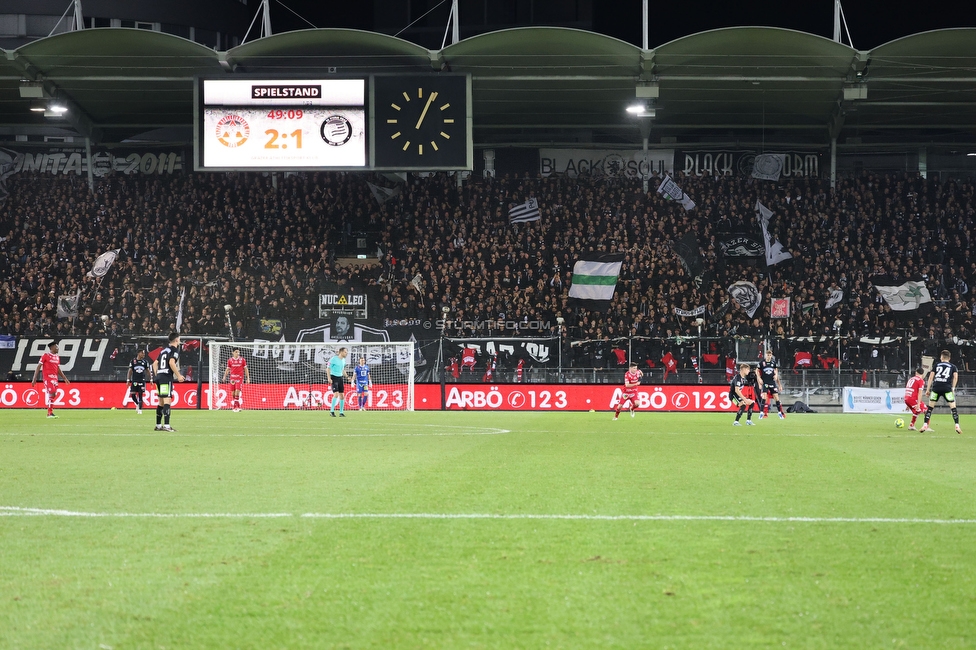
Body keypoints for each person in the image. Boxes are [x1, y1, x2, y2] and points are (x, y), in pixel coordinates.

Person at [921, 350, 961, 434]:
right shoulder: (953, 366)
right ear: (949, 358)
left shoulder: (936, 365)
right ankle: (957, 425)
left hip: (936, 388)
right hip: (947, 388)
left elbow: (931, 377)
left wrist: (928, 389)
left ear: (941, 357)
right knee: (953, 408)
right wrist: (953, 388)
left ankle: (925, 425)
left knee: (930, 408)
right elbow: (955, 377)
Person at [152, 332, 185, 432]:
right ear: (176, 340)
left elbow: (154, 363)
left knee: (161, 401)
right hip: (166, 378)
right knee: (167, 400)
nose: (179, 340)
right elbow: (171, 362)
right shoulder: (174, 350)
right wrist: (178, 375)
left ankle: (158, 425)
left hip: (159, 377)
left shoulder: (163, 351)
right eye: (179, 338)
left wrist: (158, 374)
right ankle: (167, 426)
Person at [31, 341, 69, 419]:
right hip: (48, 378)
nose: (57, 348)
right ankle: (49, 413)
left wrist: (64, 378)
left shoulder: (57, 357)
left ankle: (50, 412)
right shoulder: (45, 355)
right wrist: (34, 378)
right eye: (56, 346)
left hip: (55, 378)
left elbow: (58, 369)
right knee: (52, 392)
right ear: (52, 348)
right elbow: (39, 366)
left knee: (54, 395)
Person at [757, 349, 785, 419]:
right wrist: (759, 380)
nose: (769, 356)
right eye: (768, 355)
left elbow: (776, 372)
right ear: (765, 355)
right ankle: (761, 413)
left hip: (772, 382)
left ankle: (779, 413)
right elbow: (757, 372)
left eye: (770, 355)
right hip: (765, 382)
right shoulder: (762, 363)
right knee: (764, 396)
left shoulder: (773, 363)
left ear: (771, 355)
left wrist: (779, 384)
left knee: (776, 397)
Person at [222, 348, 250, 412]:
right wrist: (224, 377)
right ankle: (237, 406)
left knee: (237, 391)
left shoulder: (242, 360)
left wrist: (248, 378)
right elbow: (228, 369)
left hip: (239, 378)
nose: (238, 353)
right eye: (236, 352)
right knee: (233, 393)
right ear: (233, 352)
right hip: (232, 378)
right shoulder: (230, 360)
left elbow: (246, 369)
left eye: (238, 352)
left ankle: (235, 407)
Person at [126, 348, 152, 415]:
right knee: (133, 394)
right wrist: (128, 379)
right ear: (139, 353)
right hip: (134, 380)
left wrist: (151, 379)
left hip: (142, 380)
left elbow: (148, 371)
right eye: (142, 353)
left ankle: (140, 409)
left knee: (140, 394)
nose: (143, 354)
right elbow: (130, 371)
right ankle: (137, 404)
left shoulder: (145, 362)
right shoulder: (133, 361)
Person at [328, 346, 350, 417]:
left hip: (340, 378)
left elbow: (343, 370)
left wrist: (347, 377)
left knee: (342, 396)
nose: (346, 353)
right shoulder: (333, 359)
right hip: (334, 377)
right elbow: (328, 369)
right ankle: (332, 411)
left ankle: (341, 412)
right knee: (336, 394)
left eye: (347, 352)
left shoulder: (343, 360)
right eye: (345, 352)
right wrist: (329, 378)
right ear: (341, 352)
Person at [904, 367, 926, 431]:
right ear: (923, 374)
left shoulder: (911, 379)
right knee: (925, 410)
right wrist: (918, 404)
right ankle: (926, 426)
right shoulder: (920, 380)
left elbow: (909, 390)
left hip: (907, 398)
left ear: (916, 372)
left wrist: (908, 404)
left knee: (918, 411)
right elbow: (920, 393)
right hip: (913, 399)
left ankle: (912, 425)